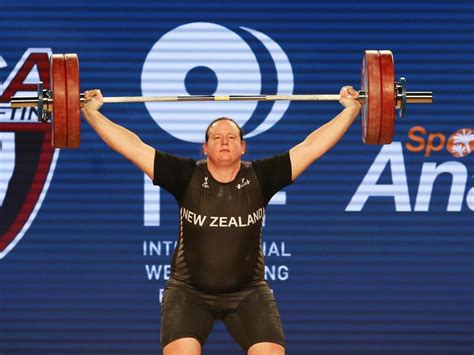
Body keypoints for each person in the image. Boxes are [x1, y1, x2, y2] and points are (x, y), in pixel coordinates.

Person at [81, 86, 361, 355]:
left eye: (231, 137)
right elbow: (133, 146)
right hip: (188, 292)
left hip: (248, 292)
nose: (224, 141)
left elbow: (312, 146)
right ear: (205, 148)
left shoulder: (262, 177)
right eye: (216, 138)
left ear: (243, 147)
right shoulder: (184, 175)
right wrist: (92, 112)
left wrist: (350, 109)